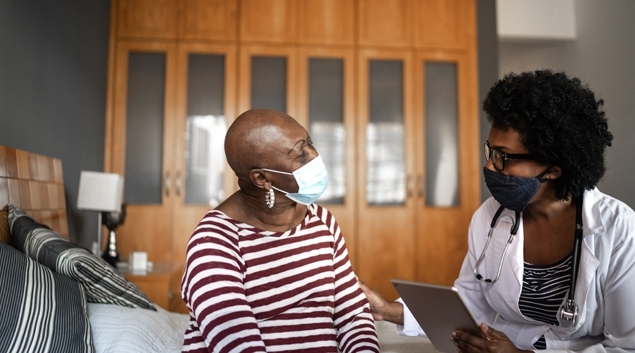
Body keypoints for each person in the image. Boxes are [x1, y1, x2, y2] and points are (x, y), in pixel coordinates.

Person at [360, 69, 635, 352]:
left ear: (554, 168)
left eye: (503, 157)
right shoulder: (490, 217)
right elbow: (470, 306)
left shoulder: (619, 229)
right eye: (490, 151)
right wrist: (387, 310)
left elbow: (627, 346)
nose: (490, 166)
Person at [180, 108, 380, 353]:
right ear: (263, 179)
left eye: (310, 143)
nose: (315, 156)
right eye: (300, 154)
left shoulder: (322, 221)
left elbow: (353, 316)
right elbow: (237, 343)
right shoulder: (214, 241)